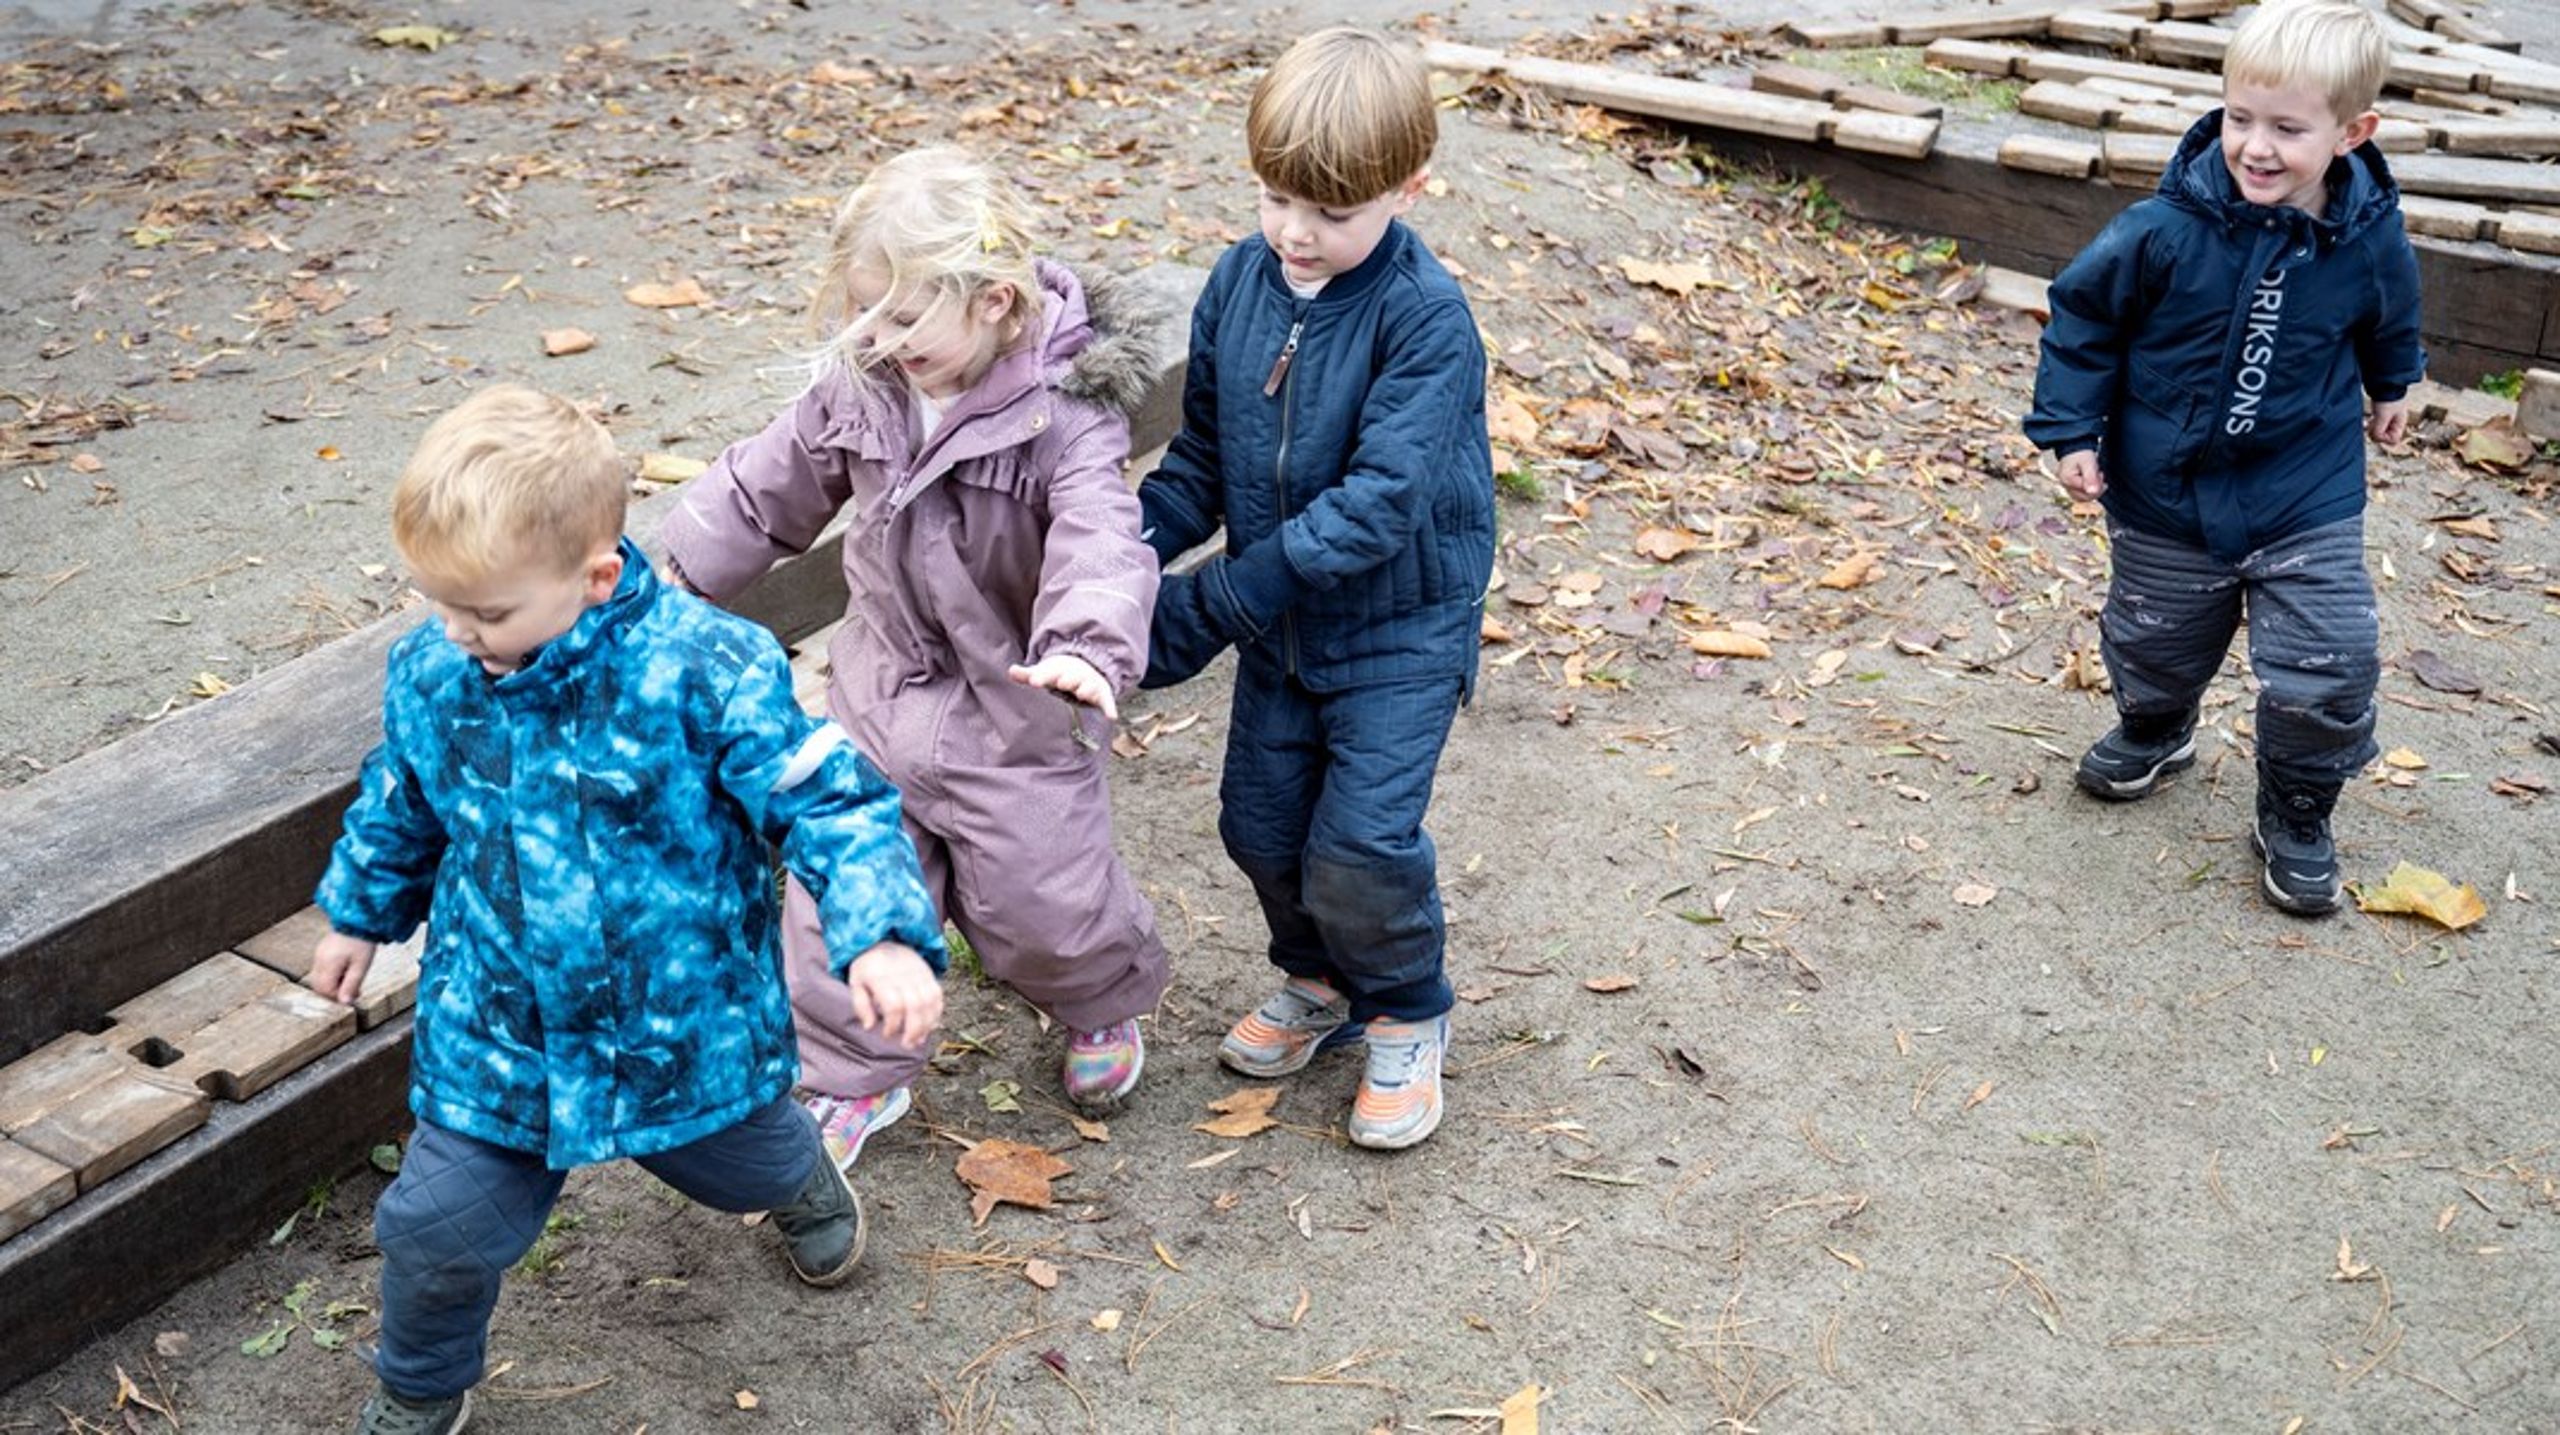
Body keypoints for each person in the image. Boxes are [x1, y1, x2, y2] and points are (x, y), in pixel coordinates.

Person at [307, 385, 948, 1435]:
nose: (462, 633)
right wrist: (360, 910)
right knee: (434, 1229)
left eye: (490, 611)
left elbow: (826, 796)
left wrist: (877, 932)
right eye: (441, 603)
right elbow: (404, 793)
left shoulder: (705, 668)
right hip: (501, 1036)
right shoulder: (437, 671)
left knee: (749, 1157)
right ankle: (420, 1385)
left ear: (597, 577)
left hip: (680, 1030)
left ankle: (804, 1180)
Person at [661, 145, 1171, 1163]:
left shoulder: (1062, 417)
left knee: (1047, 906)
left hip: (1016, 710)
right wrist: (666, 579)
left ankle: (1099, 1004)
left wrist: (1082, 646)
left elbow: (1101, 539)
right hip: (880, 693)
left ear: (991, 301)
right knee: (836, 892)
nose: (877, 340)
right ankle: (849, 1075)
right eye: (865, 316)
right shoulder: (863, 391)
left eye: (901, 319)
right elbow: (763, 489)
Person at [1137, 26, 1496, 1149]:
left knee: (1361, 843)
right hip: (1286, 626)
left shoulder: (1423, 320)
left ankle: (1406, 1007)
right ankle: (1318, 982)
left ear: (1408, 186)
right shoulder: (1242, 283)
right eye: (1276, 198)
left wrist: (1213, 604)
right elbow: (1199, 455)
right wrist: (1127, 550)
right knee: (1259, 825)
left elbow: (1377, 506)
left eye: (1333, 213)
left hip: (1398, 627)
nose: (1297, 232)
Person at [2024, 0, 2422, 916]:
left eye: (2288, 128)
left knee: (2330, 661)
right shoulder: (2162, 229)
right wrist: (2071, 430)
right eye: (2241, 118)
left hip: (2304, 490)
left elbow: (2390, 313)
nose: (2256, 146)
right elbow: (2084, 321)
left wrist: (2393, 381)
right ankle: (2157, 725)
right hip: (2166, 488)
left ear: (2353, 133)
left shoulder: (2368, 239)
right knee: (2154, 639)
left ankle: (2296, 806)